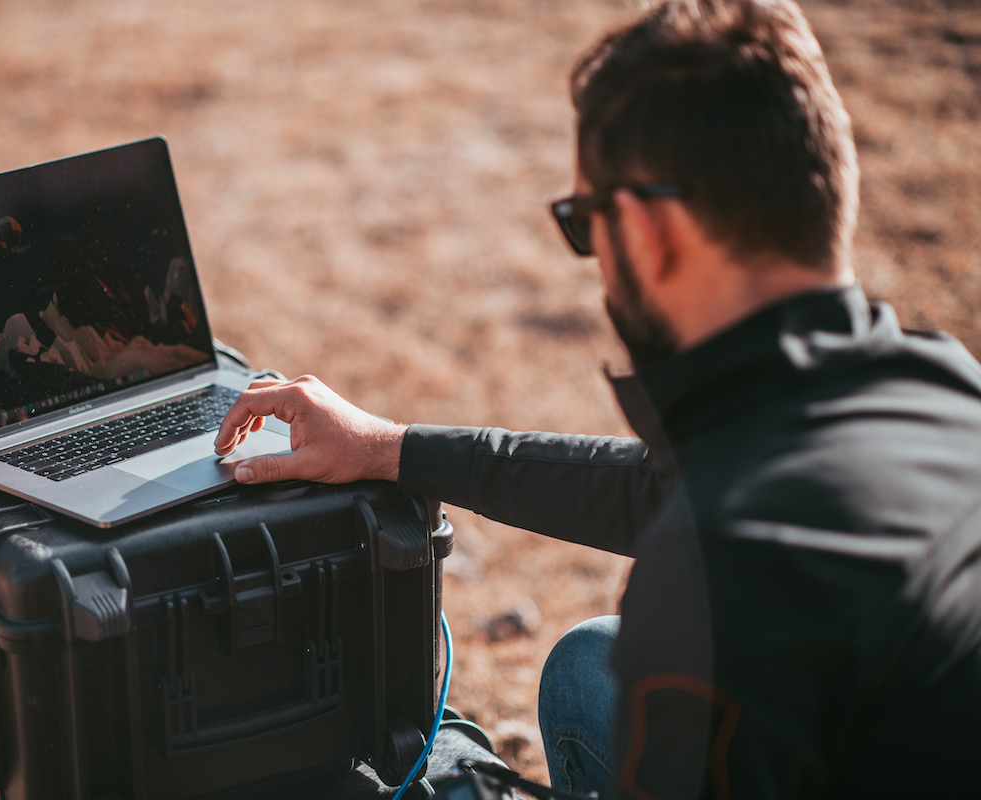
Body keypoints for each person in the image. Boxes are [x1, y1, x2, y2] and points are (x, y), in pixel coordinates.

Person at [215, 0, 981, 796]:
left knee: (438, 767)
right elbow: (657, 486)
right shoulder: (944, 386)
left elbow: (703, 523)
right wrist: (389, 447)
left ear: (647, 233)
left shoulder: (717, 568)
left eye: (583, 223)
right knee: (588, 661)